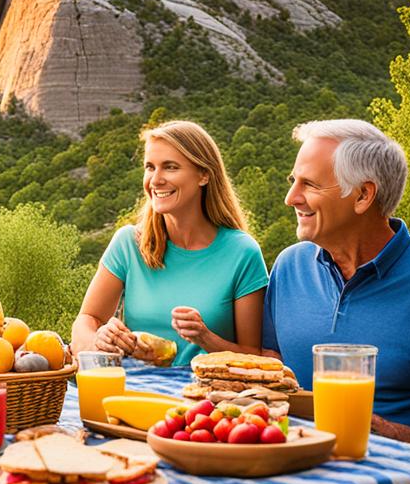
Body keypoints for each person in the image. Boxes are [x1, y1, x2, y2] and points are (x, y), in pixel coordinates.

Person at [263, 119, 410, 462]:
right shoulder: (289, 266)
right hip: (295, 475)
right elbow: (269, 367)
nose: (291, 198)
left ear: (363, 195)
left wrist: (385, 435)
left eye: (310, 185)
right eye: (293, 182)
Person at [71, 120, 269, 367]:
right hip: (133, 390)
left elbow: (254, 358)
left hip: (207, 396)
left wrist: (206, 339)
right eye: (150, 167)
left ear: (204, 175)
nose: (155, 180)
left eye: (170, 167)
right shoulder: (128, 244)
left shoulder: (242, 253)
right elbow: (86, 320)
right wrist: (99, 342)